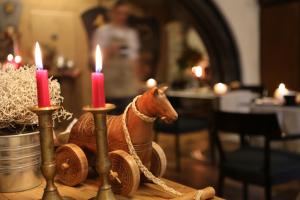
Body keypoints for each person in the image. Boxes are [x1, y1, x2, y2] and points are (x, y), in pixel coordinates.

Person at [92, 0, 140, 114]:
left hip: (127, 84)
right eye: (119, 13)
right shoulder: (102, 32)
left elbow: (134, 59)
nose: (122, 16)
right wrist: (109, 50)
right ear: (112, 13)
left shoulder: (131, 34)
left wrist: (137, 81)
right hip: (110, 83)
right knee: (110, 120)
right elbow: (94, 59)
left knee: (128, 119)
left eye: (125, 14)